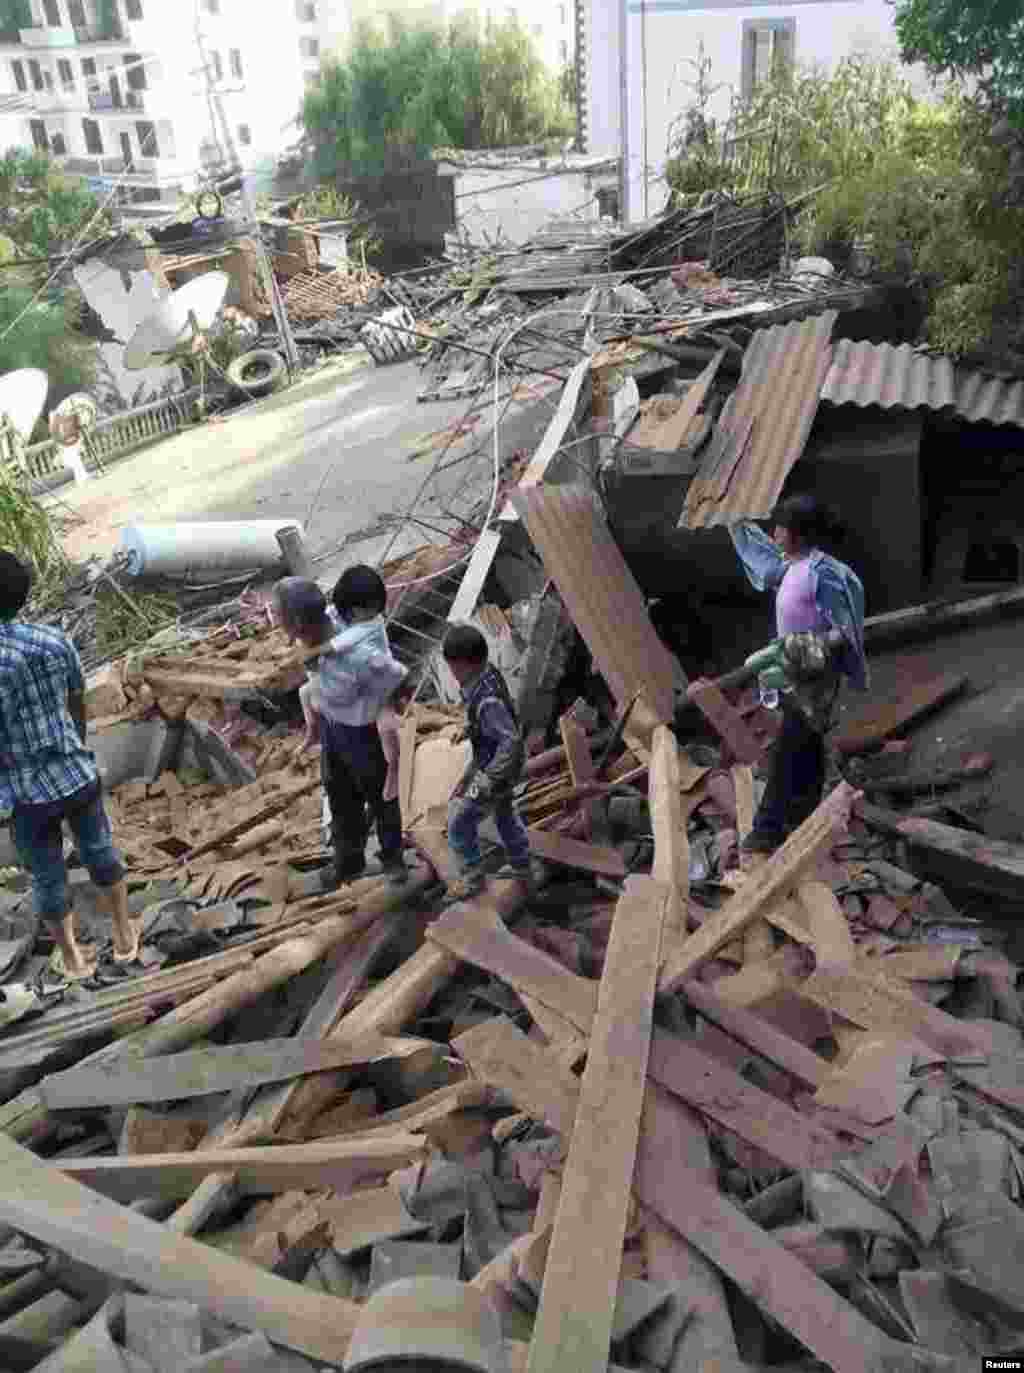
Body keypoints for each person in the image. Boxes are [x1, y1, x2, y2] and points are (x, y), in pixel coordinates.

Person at [0, 551, 137, 983]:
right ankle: (124, 935)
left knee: (47, 876)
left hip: (26, 793)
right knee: (100, 851)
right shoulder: (53, 640)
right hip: (77, 775)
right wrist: (74, 744)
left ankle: (74, 960)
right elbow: (76, 699)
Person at [729, 494, 868, 853]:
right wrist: (736, 525)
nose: (774, 534)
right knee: (805, 746)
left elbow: (845, 630)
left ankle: (766, 831)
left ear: (800, 535)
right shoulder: (789, 566)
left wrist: (802, 647)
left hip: (815, 676)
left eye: (781, 529)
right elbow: (763, 561)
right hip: (793, 671)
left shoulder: (822, 575)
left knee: (788, 749)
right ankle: (805, 818)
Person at [274, 569, 409, 888]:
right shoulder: (319, 628)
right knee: (339, 796)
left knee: (381, 798)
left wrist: (387, 711)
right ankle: (348, 861)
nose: (273, 618)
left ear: (297, 623)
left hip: (364, 733)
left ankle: (393, 860)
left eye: (278, 614)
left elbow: (399, 676)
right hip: (334, 730)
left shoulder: (358, 655)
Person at [442, 623, 533, 901]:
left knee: (459, 820)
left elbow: (510, 740)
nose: (452, 674)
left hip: (497, 769)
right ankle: (522, 864)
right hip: (500, 766)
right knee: (504, 813)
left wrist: (489, 777)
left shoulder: (487, 700)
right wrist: (471, 728)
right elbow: (495, 722)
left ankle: (472, 877)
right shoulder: (487, 675)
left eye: (453, 668)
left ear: (466, 665)